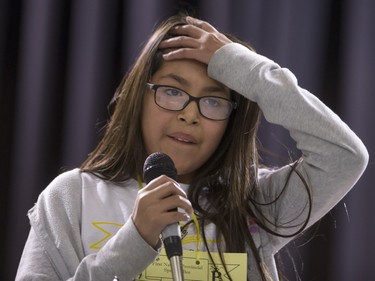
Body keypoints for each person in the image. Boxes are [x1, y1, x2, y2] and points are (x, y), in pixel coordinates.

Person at [16, 14, 368, 281]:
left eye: (214, 102)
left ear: (232, 122)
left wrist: (242, 67)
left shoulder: (251, 201)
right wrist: (135, 241)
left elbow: (344, 155)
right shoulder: (72, 195)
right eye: (172, 91)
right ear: (140, 98)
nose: (189, 114)